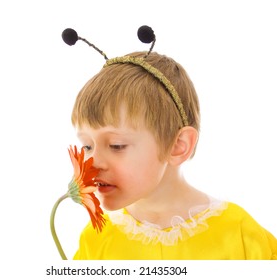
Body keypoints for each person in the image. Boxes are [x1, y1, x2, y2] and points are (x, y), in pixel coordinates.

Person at [64, 27, 277, 260]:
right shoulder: (95, 241)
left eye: (116, 145)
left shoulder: (241, 236)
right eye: (87, 146)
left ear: (178, 145)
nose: (93, 162)